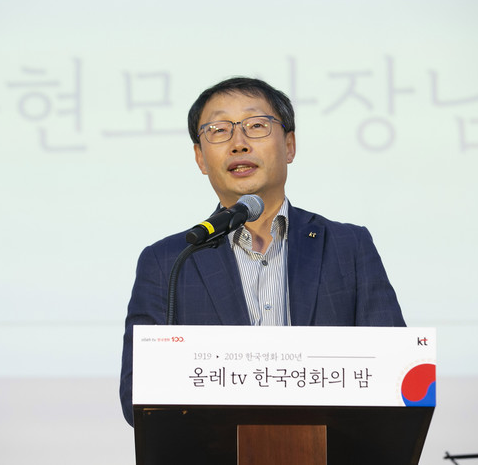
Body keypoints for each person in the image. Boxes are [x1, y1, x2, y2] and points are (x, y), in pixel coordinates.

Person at [119, 77, 405, 426]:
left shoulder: (348, 246)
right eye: (219, 130)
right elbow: (137, 396)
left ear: (289, 146)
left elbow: (394, 373)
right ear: (200, 158)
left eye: (256, 126)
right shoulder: (170, 261)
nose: (238, 144)